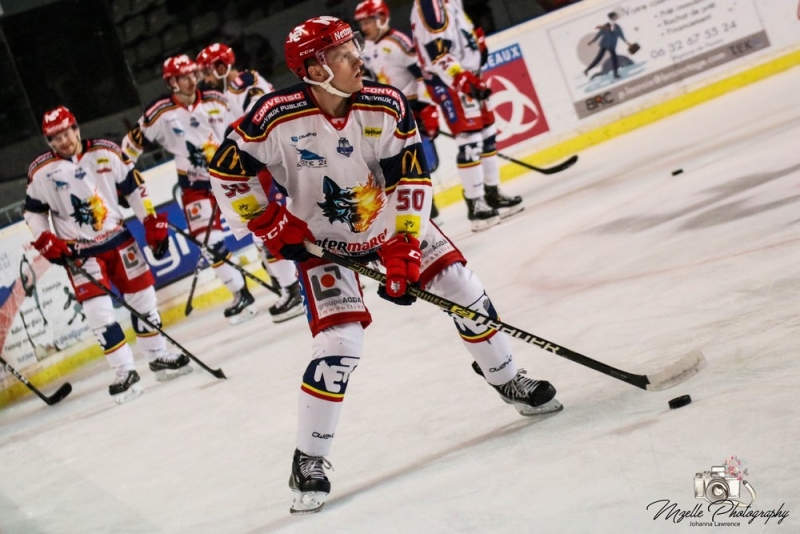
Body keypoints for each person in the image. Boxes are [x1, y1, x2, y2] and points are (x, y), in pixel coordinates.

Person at [209, 16, 562, 514]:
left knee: (462, 287)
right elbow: (225, 171)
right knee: (339, 346)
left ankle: (506, 377)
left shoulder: (386, 104)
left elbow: (411, 182)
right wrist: (268, 223)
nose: (358, 59)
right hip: (322, 243)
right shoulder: (273, 117)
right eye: (343, 54)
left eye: (355, 46)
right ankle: (308, 458)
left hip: (391, 223)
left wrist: (404, 249)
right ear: (314, 68)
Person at [24, 106, 192, 403]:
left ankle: (158, 356)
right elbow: (33, 212)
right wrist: (45, 238)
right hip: (79, 252)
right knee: (98, 313)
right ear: (49, 141)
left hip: (119, 240)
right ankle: (125, 372)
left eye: (67, 133)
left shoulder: (106, 151)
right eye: (56, 138)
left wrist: (150, 222)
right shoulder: (41, 171)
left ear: (76, 129)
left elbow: (135, 189)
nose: (64, 141)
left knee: (144, 301)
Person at [122, 54, 257, 325]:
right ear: (171, 82)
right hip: (195, 186)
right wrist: (123, 183)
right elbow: (127, 151)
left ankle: (288, 283)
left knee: (263, 227)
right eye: (184, 77)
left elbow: (244, 129)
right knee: (211, 244)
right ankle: (241, 292)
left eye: (193, 74)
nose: (192, 80)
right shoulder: (158, 112)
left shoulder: (216, 99)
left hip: (231, 177)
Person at [196, 43, 304, 322]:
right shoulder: (225, 94)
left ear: (223, 66)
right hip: (258, 165)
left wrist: (233, 136)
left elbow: (259, 119)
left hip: (272, 162)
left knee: (271, 230)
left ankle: (295, 290)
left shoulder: (247, 84)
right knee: (266, 232)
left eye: (208, 71)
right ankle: (294, 286)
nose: (205, 78)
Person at [411, 0, 523, 231]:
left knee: (487, 133)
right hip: (450, 81)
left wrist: (476, 45)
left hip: (468, 75)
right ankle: (475, 204)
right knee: (470, 140)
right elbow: (438, 53)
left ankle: (491, 193)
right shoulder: (430, 4)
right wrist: (461, 79)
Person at [353, 0, 443, 224]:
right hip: (389, 114)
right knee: (398, 166)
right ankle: (424, 213)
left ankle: (428, 213)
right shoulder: (366, 48)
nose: (364, 27)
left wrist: (427, 107)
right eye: (361, 23)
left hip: (411, 111)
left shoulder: (398, 42)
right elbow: (369, 79)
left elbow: (422, 74)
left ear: (382, 19)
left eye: (368, 21)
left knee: (417, 164)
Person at [584, 12, 631, 79]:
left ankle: (615, 74)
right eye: (614, 16)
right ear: (611, 17)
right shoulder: (606, 26)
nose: (616, 17)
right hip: (605, 44)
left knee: (614, 59)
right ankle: (587, 70)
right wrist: (592, 41)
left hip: (612, 45)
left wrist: (626, 42)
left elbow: (621, 35)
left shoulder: (617, 26)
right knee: (599, 58)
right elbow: (599, 34)